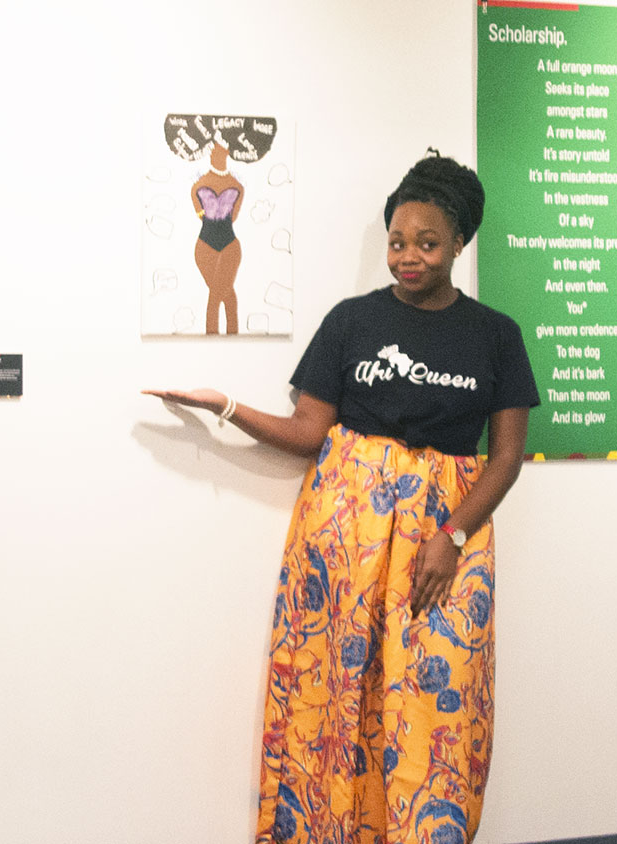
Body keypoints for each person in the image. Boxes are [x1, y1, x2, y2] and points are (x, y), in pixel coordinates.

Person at [146, 151, 539, 844]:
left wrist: (451, 537)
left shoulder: (496, 336)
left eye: (426, 243)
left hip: (444, 538)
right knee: (333, 695)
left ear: (459, 244)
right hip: (343, 533)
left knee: (434, 709)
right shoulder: (352, 322)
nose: (407, 257)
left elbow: (505, 458)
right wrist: (223, 405)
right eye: (396, 241)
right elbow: (307, 432)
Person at [192, 135, 244, 334]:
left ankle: (221, 339)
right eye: (213, 153)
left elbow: (232, 218)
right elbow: (204, 215)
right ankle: (220, 340)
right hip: (204, 247)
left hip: (230, 246)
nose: (215, 156)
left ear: (226, 155)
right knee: (223, 295)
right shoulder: (197, 186)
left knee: (221, 296)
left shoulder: (238, 187)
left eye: (219, 153)